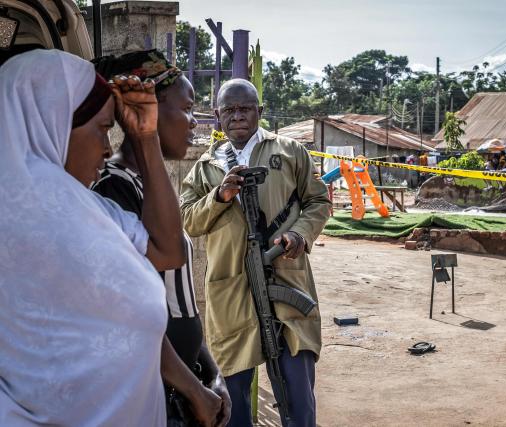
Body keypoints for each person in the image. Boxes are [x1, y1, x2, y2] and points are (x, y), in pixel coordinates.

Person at [0, 49, 219, 426]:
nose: (106, 147)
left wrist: (146, 137)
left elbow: (169, 252)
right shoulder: (98, 196)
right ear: (53, 123)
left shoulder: (88, 210)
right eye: (102, 129)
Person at [91, 50, 231, 425]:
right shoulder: (114, 190)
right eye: (186, 109)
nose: (194, 124)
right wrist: (193, 388)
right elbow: (131, 314)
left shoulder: (152, 188)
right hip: (154, 391)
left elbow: (180, 304)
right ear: (150, 106)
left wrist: (209, 370)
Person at [180, 79, 331, 427]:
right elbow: (187, 220)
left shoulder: (290, 152)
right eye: (229, 110)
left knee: (298, 399)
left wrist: (299, 234)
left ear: (259, 112)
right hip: (231, 288)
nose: (237, 116)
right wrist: (219, 197)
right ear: (217, 116)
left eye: (244, 108)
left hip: (287, 283)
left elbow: (319, 200)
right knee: (233, 401)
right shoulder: (205, 167)